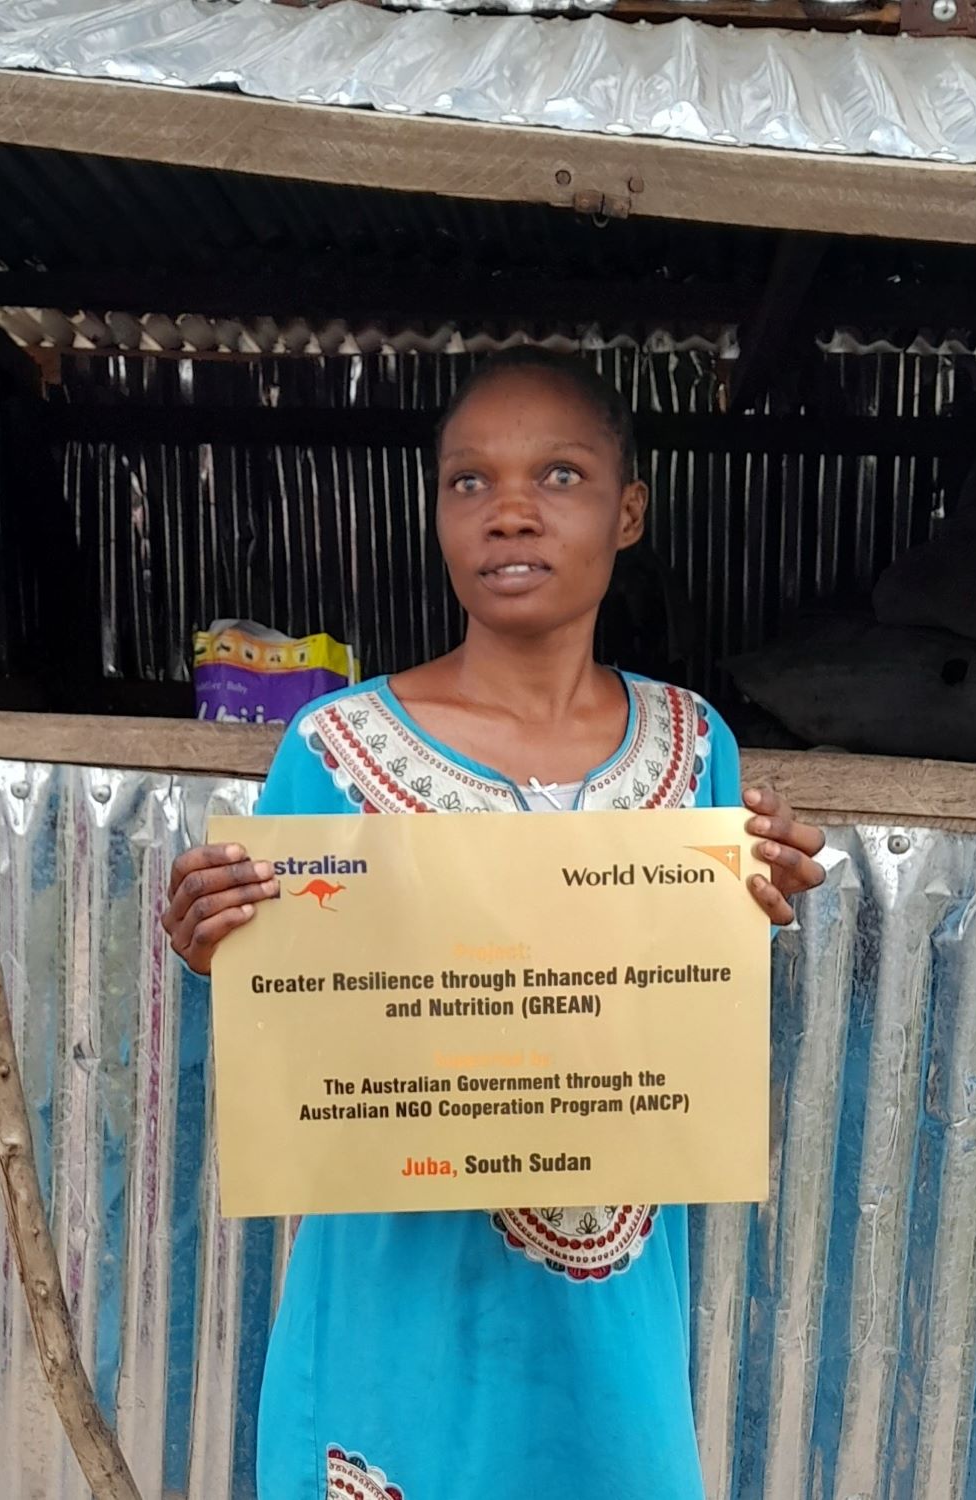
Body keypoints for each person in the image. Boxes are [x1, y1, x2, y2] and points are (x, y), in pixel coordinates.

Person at [162, 348, 828, 1499]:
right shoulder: (331, 751)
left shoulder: (694, 747)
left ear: (628, 512)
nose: (508, 510)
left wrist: (762, 896)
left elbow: (675, 1027)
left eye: (559, 476)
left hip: (607, 1336)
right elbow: (295, 1047)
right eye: (468, 482)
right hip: (391, 1309)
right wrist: (214, 946)